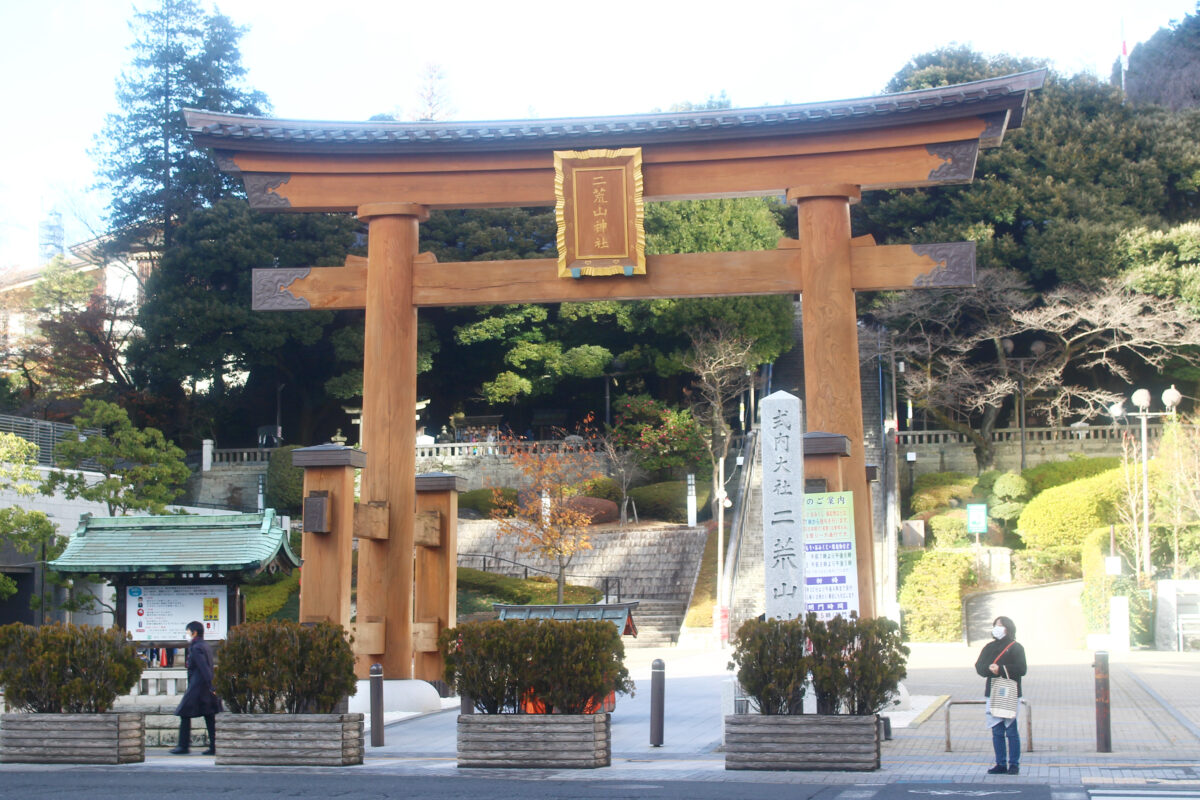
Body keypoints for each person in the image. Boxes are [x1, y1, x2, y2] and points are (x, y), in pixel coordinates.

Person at [974, 615, 1027, 775]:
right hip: (993, 690)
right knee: (996, 729)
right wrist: (988, 669)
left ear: (1008, 628)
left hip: (1010, 690)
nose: (996, 628)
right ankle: (1000, 763)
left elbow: (1022, 669)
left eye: (1000, 625)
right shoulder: (989, 647)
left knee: (1010, 728)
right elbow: (979, 666)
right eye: (995, 625)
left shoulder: (1016, 647)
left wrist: (1002, 669)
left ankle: (1014, 764)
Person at [170, 621, 221, 755]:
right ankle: (214, 746)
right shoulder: (205, 645)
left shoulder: (196, 647)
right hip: (205, 686)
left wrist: (211, 685)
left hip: (197, 686)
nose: (187, 635)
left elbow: (203, 667)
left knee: (184, 713)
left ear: (194, 632)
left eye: (188, 632)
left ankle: (183, 745)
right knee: (209, 715)